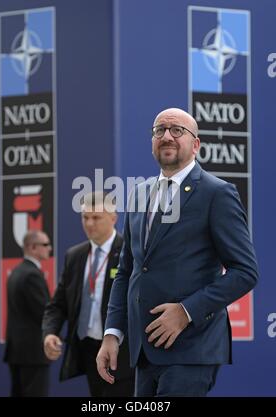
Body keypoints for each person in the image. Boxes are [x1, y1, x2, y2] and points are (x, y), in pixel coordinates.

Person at [96, 108, 259, 397]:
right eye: (159, 130)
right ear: (152, 141)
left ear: (196, 144)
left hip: (191, 349)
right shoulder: (138, 193)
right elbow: (127, 271)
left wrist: (186, 312)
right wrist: (112, 333)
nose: (167, 136)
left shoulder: (217, 193)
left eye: (177, 130)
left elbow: (245, 272)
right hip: (144, 352)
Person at [42, 192, 135, 397]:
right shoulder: (75, 255)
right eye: (85, 217)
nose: (89, 223)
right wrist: (50, 332)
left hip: (121, 352)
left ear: (113, 218)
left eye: (96, 217)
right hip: (88, 350)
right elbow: (58, 304)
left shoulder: (130, 253)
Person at [3, 230, 52, 397]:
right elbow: (44, 313)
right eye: (45, 245)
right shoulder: (32, 275)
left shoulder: (15, 272)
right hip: (33, 354)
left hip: (16, 351)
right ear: (32, 247)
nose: (49, 248)